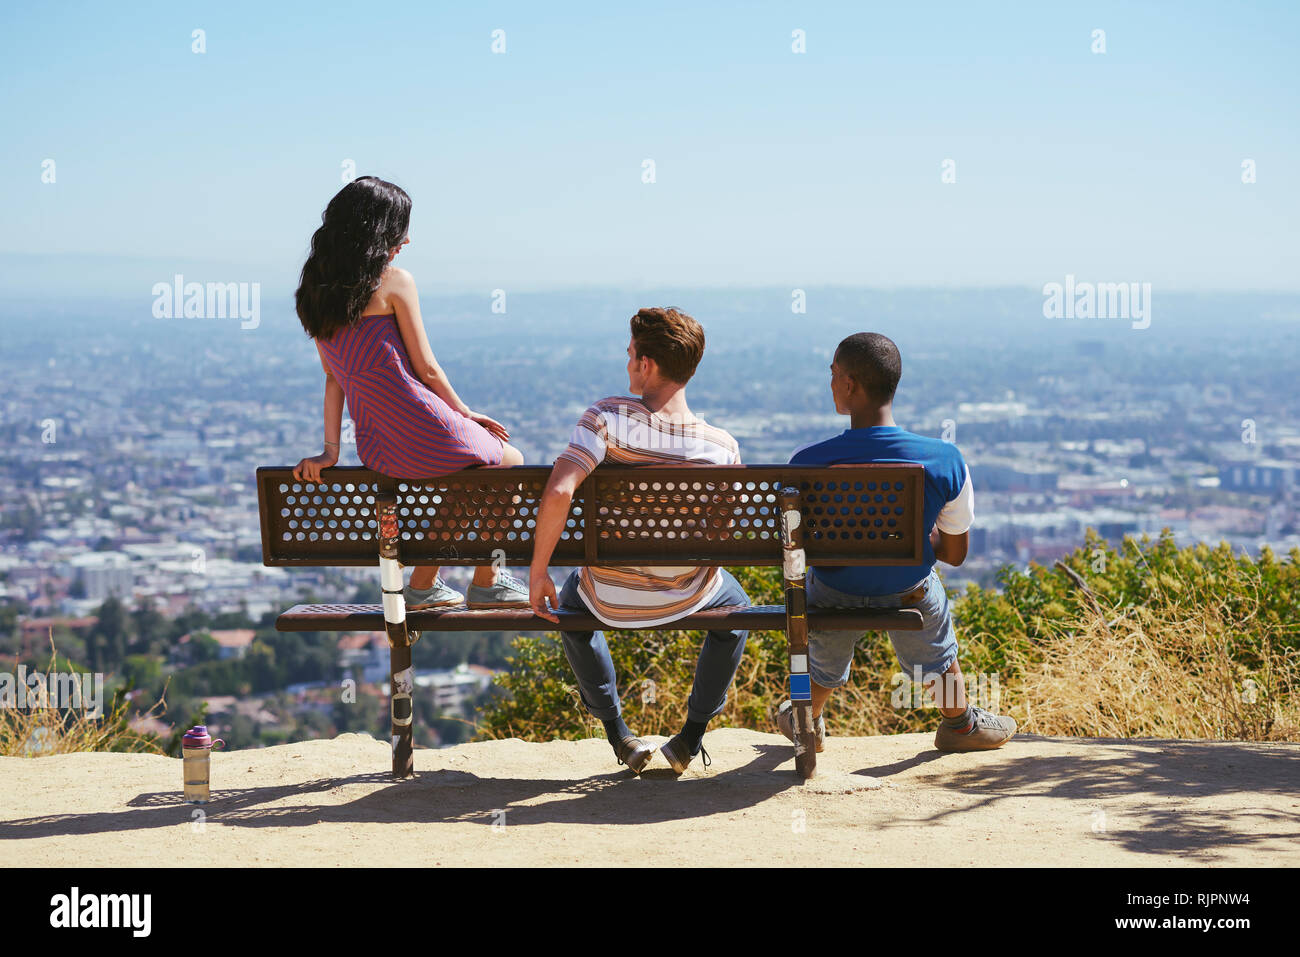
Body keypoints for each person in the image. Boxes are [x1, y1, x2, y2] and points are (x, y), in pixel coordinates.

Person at [527, 308, 751, 775]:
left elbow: (560, 490)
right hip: (687, 592)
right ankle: (689, 738)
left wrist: (537, 571)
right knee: (738, 614)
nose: (628, 362)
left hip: (606, 593)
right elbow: (722, 536)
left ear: (647, 365)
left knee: (570, 610)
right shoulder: (721, 448)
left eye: (631, 355)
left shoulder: (605, 419)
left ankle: (618, 734)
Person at [292, 176, 528, 609]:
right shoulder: (394, 281)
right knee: (509, 462)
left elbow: (332, 379)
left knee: (471, 478)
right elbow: (428, 369)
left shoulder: (313, 296)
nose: (406, 239)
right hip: (424, 426)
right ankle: (484, 580)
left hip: (379, 448)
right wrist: (466, 414)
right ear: (378, 231)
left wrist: (329, 452)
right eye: (400, 228)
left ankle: (424, 586)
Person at [775, 332, 1017, 752]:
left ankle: (804, 718)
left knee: (822, 598)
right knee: (926, 589)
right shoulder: (944, 459)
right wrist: (914, 536)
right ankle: (960, 724)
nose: (830, 383)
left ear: (849, 385)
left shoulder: (807, 462)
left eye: (833, 375)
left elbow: (796, 549)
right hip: (908, 592)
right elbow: (956, 555)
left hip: (834, 592)